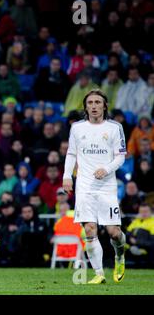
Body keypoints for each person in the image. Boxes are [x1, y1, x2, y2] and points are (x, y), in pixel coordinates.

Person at [63, 89, 127, 284]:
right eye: (90, 102)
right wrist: (67, 176)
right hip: (84, 186)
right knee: (90, 229)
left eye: (98, 102)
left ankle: (120, 255)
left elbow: (121, 156)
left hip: (106, 186)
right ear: (85, 106)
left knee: (113, 233)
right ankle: (99, 274)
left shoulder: (115, 127)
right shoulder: (77, 128)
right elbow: (71, 154)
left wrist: (106, 169)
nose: (94, 106)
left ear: (104, 105)